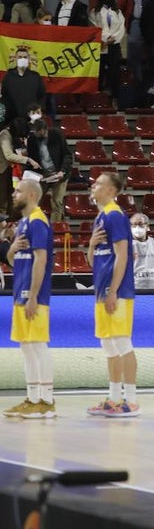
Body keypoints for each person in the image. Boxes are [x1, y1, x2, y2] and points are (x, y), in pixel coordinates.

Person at [85, 172, 139, 418]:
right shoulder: (101, 217)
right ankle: (114, 398)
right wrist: (91, 245)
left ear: (110, 190)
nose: (93, 186)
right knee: (108, 344)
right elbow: (92, 262)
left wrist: (114, 290)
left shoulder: (115, 215)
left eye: (98, 184)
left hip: (116, 291)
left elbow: (123, 255)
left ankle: (132, 399)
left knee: (121, 342)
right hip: (102, 288)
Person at [4, 178, 55, 419]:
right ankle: (32, 398)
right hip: (20, 291)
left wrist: (34, 295)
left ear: (32, 195)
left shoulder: (37, 221)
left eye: (18, 191)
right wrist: (12, 250)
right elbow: (17, 262)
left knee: (37, 345)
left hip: (33, 295)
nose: (14, 194)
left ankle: (46, 400)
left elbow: (41, 260)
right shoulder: (24, 223)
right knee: (26, 346)